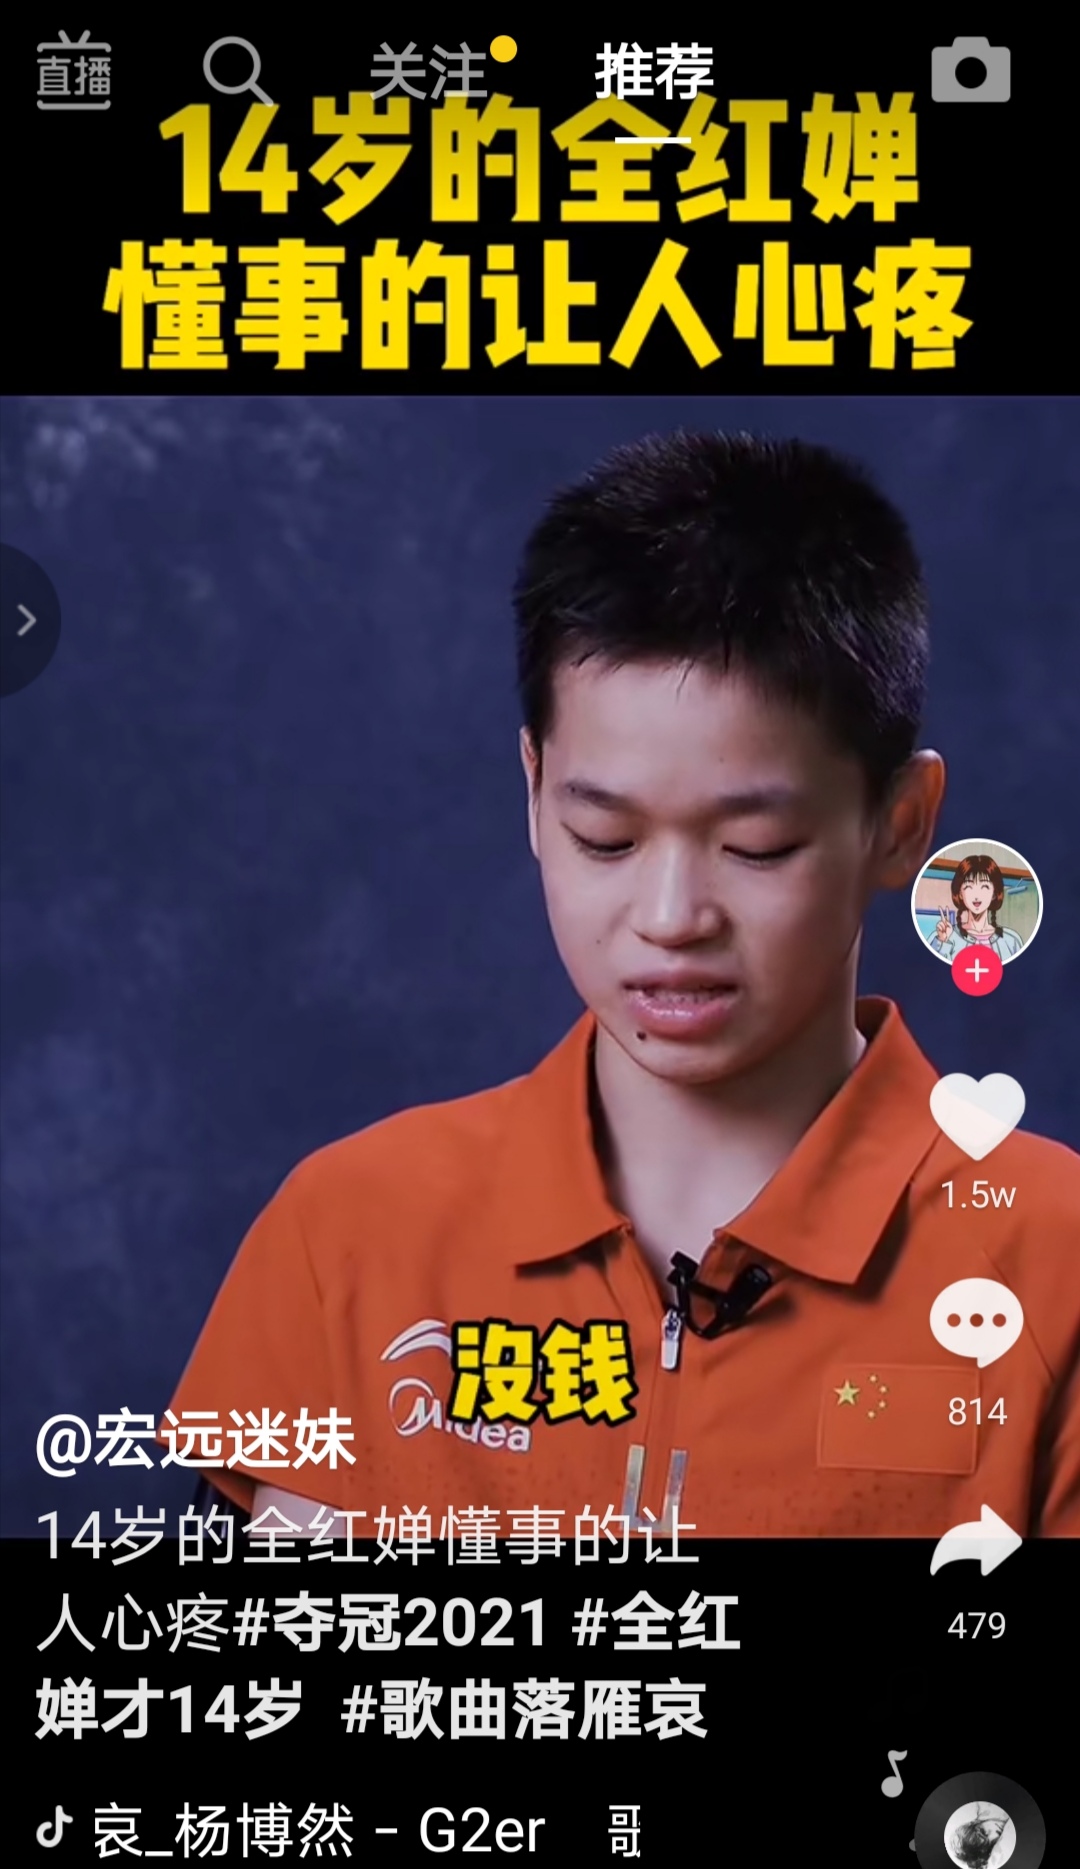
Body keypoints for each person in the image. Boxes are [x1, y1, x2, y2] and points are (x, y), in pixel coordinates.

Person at [162, 431, 1080, 1539]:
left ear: (901, 824)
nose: (671, 917)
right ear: (533, 790)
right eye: (605, 838)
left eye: (757, 848)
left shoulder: (1052, 1259)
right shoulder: (349, 1232)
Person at [930, 855, 1024, 961]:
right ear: (960, 894)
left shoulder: (1011, 940)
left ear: (994, 893)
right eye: (968, 887)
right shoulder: (943, 936)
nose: (976, 895)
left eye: (984, 887)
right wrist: (943, 942)